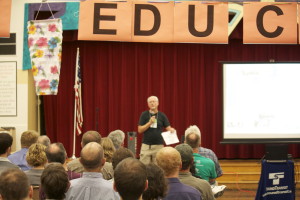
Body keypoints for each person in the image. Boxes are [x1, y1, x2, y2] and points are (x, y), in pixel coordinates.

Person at [138, 96, 175, 164]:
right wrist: (150, 123)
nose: (152, 103)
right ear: (148, 104)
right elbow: (140, 130)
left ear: (157, 103)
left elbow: (168, 128)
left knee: (158, 168)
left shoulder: (162, 115)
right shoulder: (144, 114)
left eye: (154, 101)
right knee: (144, 167)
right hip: (146, 146)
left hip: (158, 146)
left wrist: (171, 130)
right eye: (150, 102)